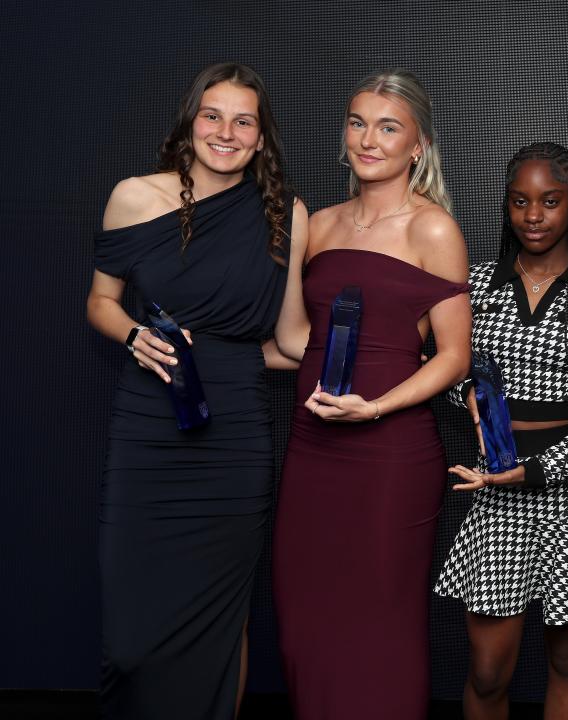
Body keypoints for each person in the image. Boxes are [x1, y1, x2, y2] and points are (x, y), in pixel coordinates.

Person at [87, 63, 307, 719]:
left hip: (234, 442)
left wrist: (390, 362)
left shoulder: (286, 216)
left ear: (262, 138)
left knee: (219, 625)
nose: (226, 132)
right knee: (129, 635)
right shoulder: (133, 197)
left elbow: (293, 340)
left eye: (245, 121)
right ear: (190, 121)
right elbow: (100, 301)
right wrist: (132, 337)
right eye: (213, 115)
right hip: (147, 432)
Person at [270, 68, 471, 719]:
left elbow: (454, 355)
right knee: (307, 618)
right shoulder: (320, 224)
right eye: (358, 122)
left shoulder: (432, 230)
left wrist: (377, 405)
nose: (368, 138)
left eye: (388, 127)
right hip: (313, 451)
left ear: (418, 145)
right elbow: (300, 339)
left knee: (380, 628)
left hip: (390, 457)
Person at [435, 142, 568, 719]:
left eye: (550, 201)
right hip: (497, 488)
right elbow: (449, 367)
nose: (533, 216)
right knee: (486, 670)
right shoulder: (475, 286)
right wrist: (468, 394)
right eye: (520, 201)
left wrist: (541, 468)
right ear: (505, 206)